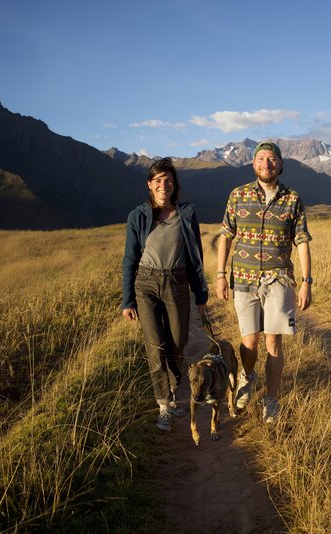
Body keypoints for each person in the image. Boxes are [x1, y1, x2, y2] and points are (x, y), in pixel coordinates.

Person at [216, 141, 312, 423]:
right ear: (253, 164)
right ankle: (248, 376)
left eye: (272, 159)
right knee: (249, 341)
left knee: (273, 341)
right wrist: (220, 275)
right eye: (261, 159)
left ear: (280, 164)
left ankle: (271, 399)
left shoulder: (292, 198)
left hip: (279, 279)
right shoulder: (238, 195)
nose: (266, 163)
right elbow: (225, 235)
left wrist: (307, 282)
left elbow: (303, 242)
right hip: (243, 279)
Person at [121, 157, 209, 431]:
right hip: (146, 284)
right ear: (149, 184)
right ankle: (164, 405)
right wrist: (127, 299)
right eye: (158, 180)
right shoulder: (138, 216)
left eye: (167, 180)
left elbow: (195, 258)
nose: (163, 185)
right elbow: (129, 259)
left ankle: (173, 390)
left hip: (177, 283)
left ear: (174, 185)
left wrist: (201, 294)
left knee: (178, 342)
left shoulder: (186, 215)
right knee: (155, 345)